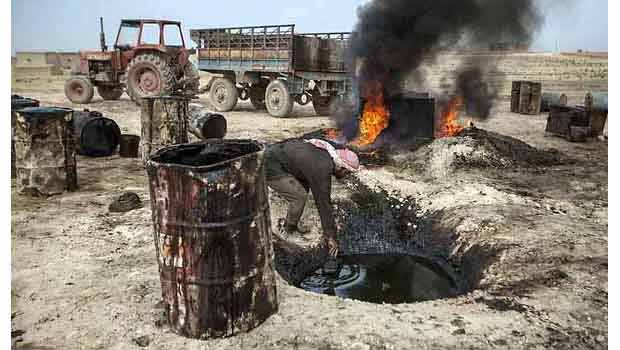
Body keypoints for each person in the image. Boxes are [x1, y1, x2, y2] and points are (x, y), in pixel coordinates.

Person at [264, 138, 360, 257]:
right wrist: (331, 236)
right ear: (342, 167)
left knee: (302, 189)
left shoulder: (327, 153)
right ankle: (287, 231)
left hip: (281, 154)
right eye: (347, 173)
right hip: (270, 164)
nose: (346, 176)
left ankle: (291, 223)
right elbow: (323, 203)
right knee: (299, 197)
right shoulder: (323, 167)